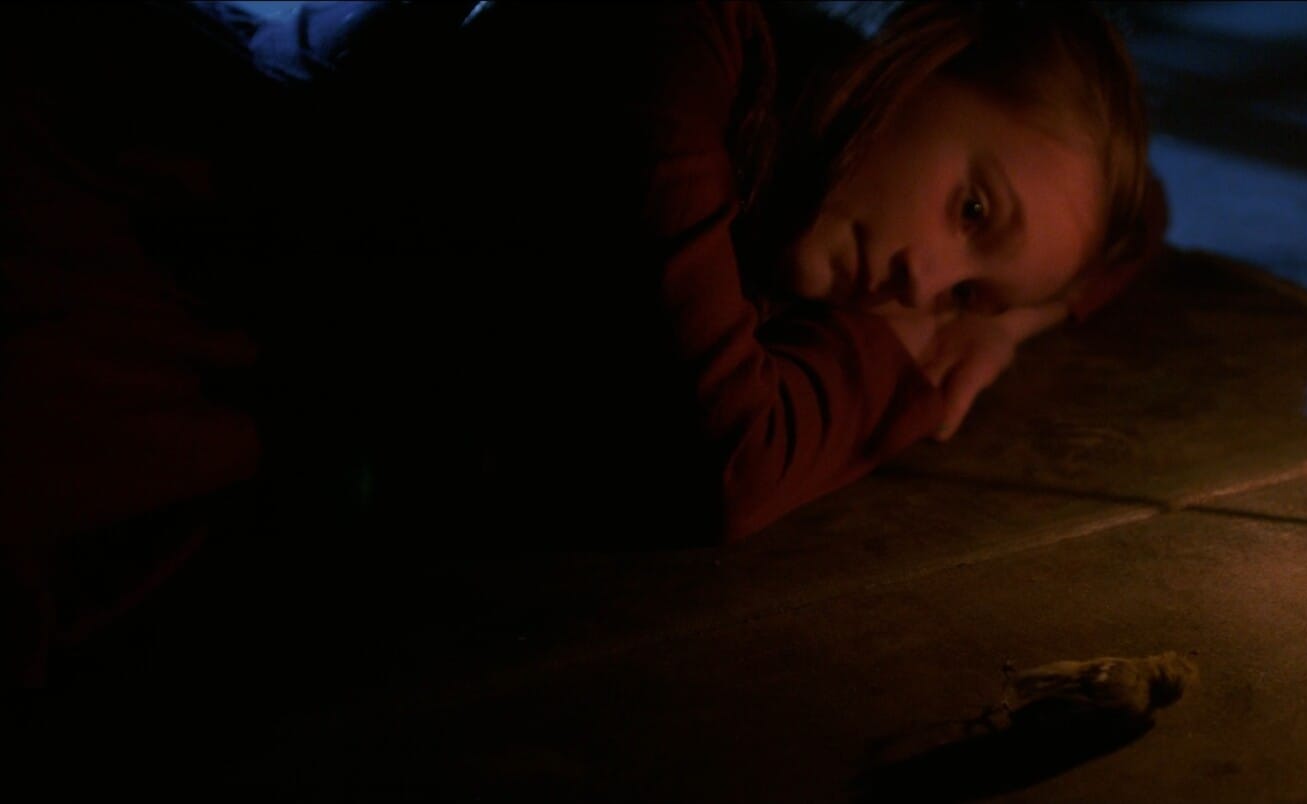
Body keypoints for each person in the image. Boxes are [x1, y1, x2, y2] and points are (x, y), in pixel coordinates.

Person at [0, 0, 1166, 684]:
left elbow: (1139, 223)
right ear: (920, 47)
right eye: (972, 210)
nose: (923, 287)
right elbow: (723, 459)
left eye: (966, 294)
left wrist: (1009, 319)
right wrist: (901, 360)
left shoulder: (789, 171)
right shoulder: (672, 46)